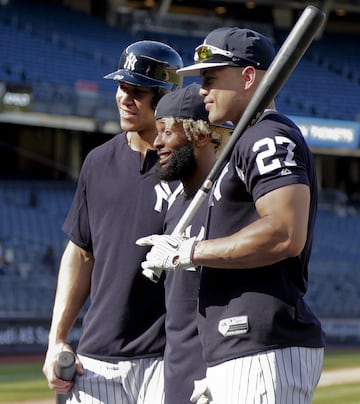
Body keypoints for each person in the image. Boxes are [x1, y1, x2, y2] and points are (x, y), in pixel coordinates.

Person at [137, 27, 326, 404]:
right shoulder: (246, 139)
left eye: (210, 78)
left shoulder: (267, 136)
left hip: (259, 344)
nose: (202, 90)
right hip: (237, 351)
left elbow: (285, 233)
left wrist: (189, 252)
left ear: (247, 76)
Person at [42, 40, 183, 404]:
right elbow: (80, 254)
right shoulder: (97, 162)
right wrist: (57, 338)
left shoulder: (190, 168)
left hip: (166, 358)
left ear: (165, 98)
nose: (125, 98)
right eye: (122, 87)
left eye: (138, 91)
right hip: (96, 361)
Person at [138, 83, 231, 404]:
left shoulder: (231, 197)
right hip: (175, 376)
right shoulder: (176, 204)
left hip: (214, 374)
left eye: (167, 131)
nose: (157, 142)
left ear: (201, 135)